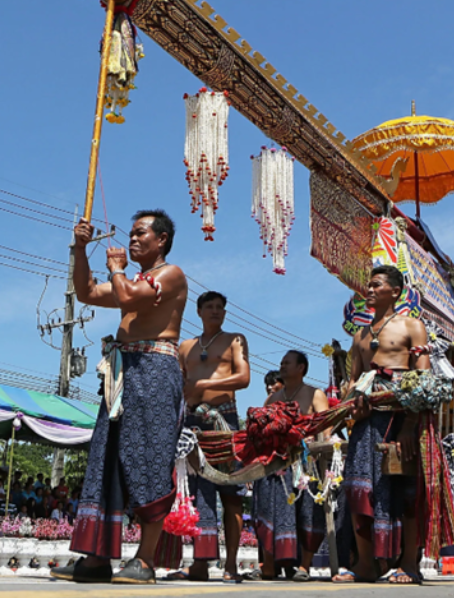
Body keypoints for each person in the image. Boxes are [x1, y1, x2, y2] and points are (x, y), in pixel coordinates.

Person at [53, 210, 188, 585]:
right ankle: (96, 557)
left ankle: (145, 560)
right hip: (123, 372)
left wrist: (115, 267)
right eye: (130, 233)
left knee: (148, 459)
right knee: (107, 456)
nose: (132, 238)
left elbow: (127, 295)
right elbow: (85, 293)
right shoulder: (135, 279)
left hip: (155, 373)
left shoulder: (170, 274)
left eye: (140, 232)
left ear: (161, 240)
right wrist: (80, 250)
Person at [342, 265, 432, 585]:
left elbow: (422, 377)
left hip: (403, 417)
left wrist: (409, 425)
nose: (369, 289)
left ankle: (409, 563)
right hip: (366, 422)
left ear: (395, 292)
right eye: (368, 284)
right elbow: (351, 380)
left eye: (376, 284)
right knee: (359, 490)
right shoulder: (360, 334)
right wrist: (352, 401)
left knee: (405, 491)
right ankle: (366, 564)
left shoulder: (412, 326)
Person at [168, 290, 250, 583]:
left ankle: (230, 565)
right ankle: (200, 563)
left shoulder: (235, 340)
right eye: (210, 307)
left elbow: (243, 377)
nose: (216, 311)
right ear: (199, 311)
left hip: (224, 420)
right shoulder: (186, 346)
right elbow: (178, 384)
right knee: (198, 492)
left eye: (220, 307)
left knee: (231, 494)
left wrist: (204, 383)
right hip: (191, 423)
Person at [252, 350, 329, 582]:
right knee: (265, 501)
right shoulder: (274, 399)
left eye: (287, 363)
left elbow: (325, 431)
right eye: (281, 363)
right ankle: (268, 565)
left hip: (307, 464)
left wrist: (311, 448)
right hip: (276, 466)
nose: (282, 366)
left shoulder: (315, 394)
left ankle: (304, 566)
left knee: (308, 512)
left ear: (301, 368)